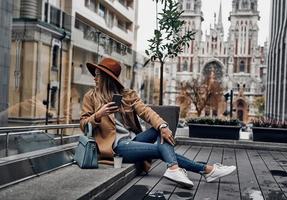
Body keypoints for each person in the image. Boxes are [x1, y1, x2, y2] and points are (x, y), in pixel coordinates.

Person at [80, 58, 236, 188]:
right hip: (115, 147)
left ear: (107, 78)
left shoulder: (127, 95)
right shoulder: (90, 97)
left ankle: (183, 169)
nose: (95, 78)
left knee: (161, 130)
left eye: (98, 75)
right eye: (95, 74)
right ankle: (204, 169)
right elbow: (83, 124)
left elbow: (147, 112)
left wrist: (163, 126)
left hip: (132, 141)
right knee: (158, 149)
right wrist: (98, 115)